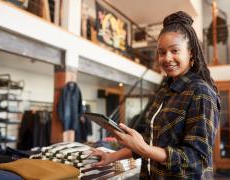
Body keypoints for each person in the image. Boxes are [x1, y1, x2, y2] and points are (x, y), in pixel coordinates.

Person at [91, 11, 221, 179]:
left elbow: (196, 161)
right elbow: (150, 142)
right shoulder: (164, 91)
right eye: (161, 52)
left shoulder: (201, 93)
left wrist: (143, 148)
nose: (167, 58)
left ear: (191, 53)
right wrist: (112, 157)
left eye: (174, 50)